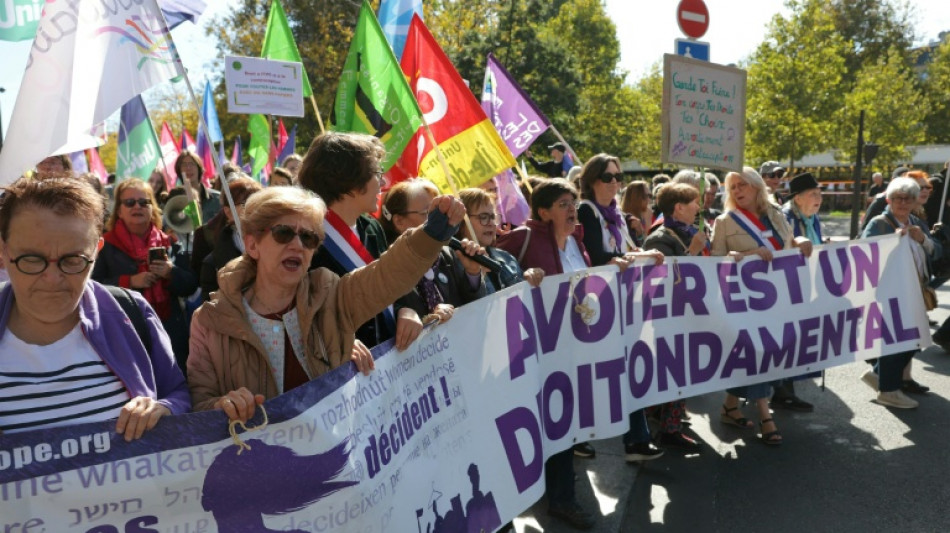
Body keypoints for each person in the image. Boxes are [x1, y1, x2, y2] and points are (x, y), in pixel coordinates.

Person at [188, 186, 466, 419]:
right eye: (283, 233)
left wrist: (433, 232)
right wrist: (222, 406)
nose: (297, 245)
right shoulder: (210, 321)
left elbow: (387, 274)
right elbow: (199, 407)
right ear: (252, 245)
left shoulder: (332, 296)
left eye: (308, 238)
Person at [0, 175, 189, 438]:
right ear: (3, 251)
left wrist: (164, 409)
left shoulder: (131, 312)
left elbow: (178, 394)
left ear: (96, 250)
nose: (52, 278)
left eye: (73, 259)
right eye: (32, 259)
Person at [711, 167, 814, 446]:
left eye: (742, 185)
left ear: (757, 186)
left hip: (779, 300)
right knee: (759, 355)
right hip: (746, 303)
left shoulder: (776, 214)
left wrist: (800, 241)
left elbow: (788, 243)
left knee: (766, 355)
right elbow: (714, 263)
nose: (737, 191)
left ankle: (730, 406)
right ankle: (765, 416)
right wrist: (745, 255)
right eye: (733, 187)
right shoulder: (724, 222)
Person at [576, 154, 665, 461]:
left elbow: (625, 252)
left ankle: (637, 439)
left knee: (627, 368)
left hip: (623, 301)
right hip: (597, 304)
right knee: (596, 372)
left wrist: (643, 253)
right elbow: (594, 257)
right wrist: (628, 258)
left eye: (618, 176)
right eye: (607, 177)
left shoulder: (615, 214)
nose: (614, 182)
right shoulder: (586, 212)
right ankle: (578, 436)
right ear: (592, 181)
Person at [300, 131, 423, 351]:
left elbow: (392, 281)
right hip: (340, 363)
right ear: (351, 182)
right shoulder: (306, 238)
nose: (383, 181)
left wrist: (406, 309)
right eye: (376, 173)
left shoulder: (372, 227)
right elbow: (304, 312)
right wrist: (339, 340)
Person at [92, 180, 198, 370]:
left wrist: (171, 272)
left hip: (170, 333)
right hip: (124, 333)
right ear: (119, 210)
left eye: (143, 202)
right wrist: (129, 281)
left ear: (152, 208)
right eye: (129, 202)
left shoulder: (170, 242)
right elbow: (93, 287)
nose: (137, 207)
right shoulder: (104, 245)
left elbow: (190, 285)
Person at [860, 177, 937, 409]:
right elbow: (863, 254)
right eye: (898, 198)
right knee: (898, 341)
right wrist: (891, 241)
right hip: (890, 293)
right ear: (889, 200)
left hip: (915, 291)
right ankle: (889, 390)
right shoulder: (879, 223)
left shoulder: (917, 222)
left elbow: (937, 251)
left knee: (914, 340)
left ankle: (879, 376)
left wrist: (922, 239)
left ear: (915, 202)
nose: (903, 203)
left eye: (908, 199)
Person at [641, 183, 708, 449]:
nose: (698, 208)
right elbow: (666, 281)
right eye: (693, 203)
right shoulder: (660, 238)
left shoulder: (687, 232)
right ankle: (666, 430)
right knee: (673, 372)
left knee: (682, 372)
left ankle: (665, 418)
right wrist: (693, 251)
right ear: (678, 207)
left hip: (688, 314)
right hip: (668, 318)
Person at [379, 179, 486, 325]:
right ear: (399, 221)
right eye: (428, 213)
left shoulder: (448, 254)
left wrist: (472, 273)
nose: (440, 219)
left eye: (441, 212)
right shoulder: (387, 263)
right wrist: (427, 319)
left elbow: (477, 310)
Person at [198, 177, 263, 300]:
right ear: (228, 212)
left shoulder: (279, 242)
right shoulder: (213, 263)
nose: (255, 208)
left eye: (259, 202)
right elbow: (212, 306)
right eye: (246, 204)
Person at [175, 150, 221, 224]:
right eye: (184, 165)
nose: (188, 168)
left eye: (192, 164)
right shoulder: (174, 201)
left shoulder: (218, 198)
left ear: (199, 168)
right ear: (179, 170)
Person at [620, 181, 652, 247]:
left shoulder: (647, 212)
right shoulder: (621, 217)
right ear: (636, 197)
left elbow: (649, 242)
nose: (649, 200)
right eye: (646, 196)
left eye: (650, 196)